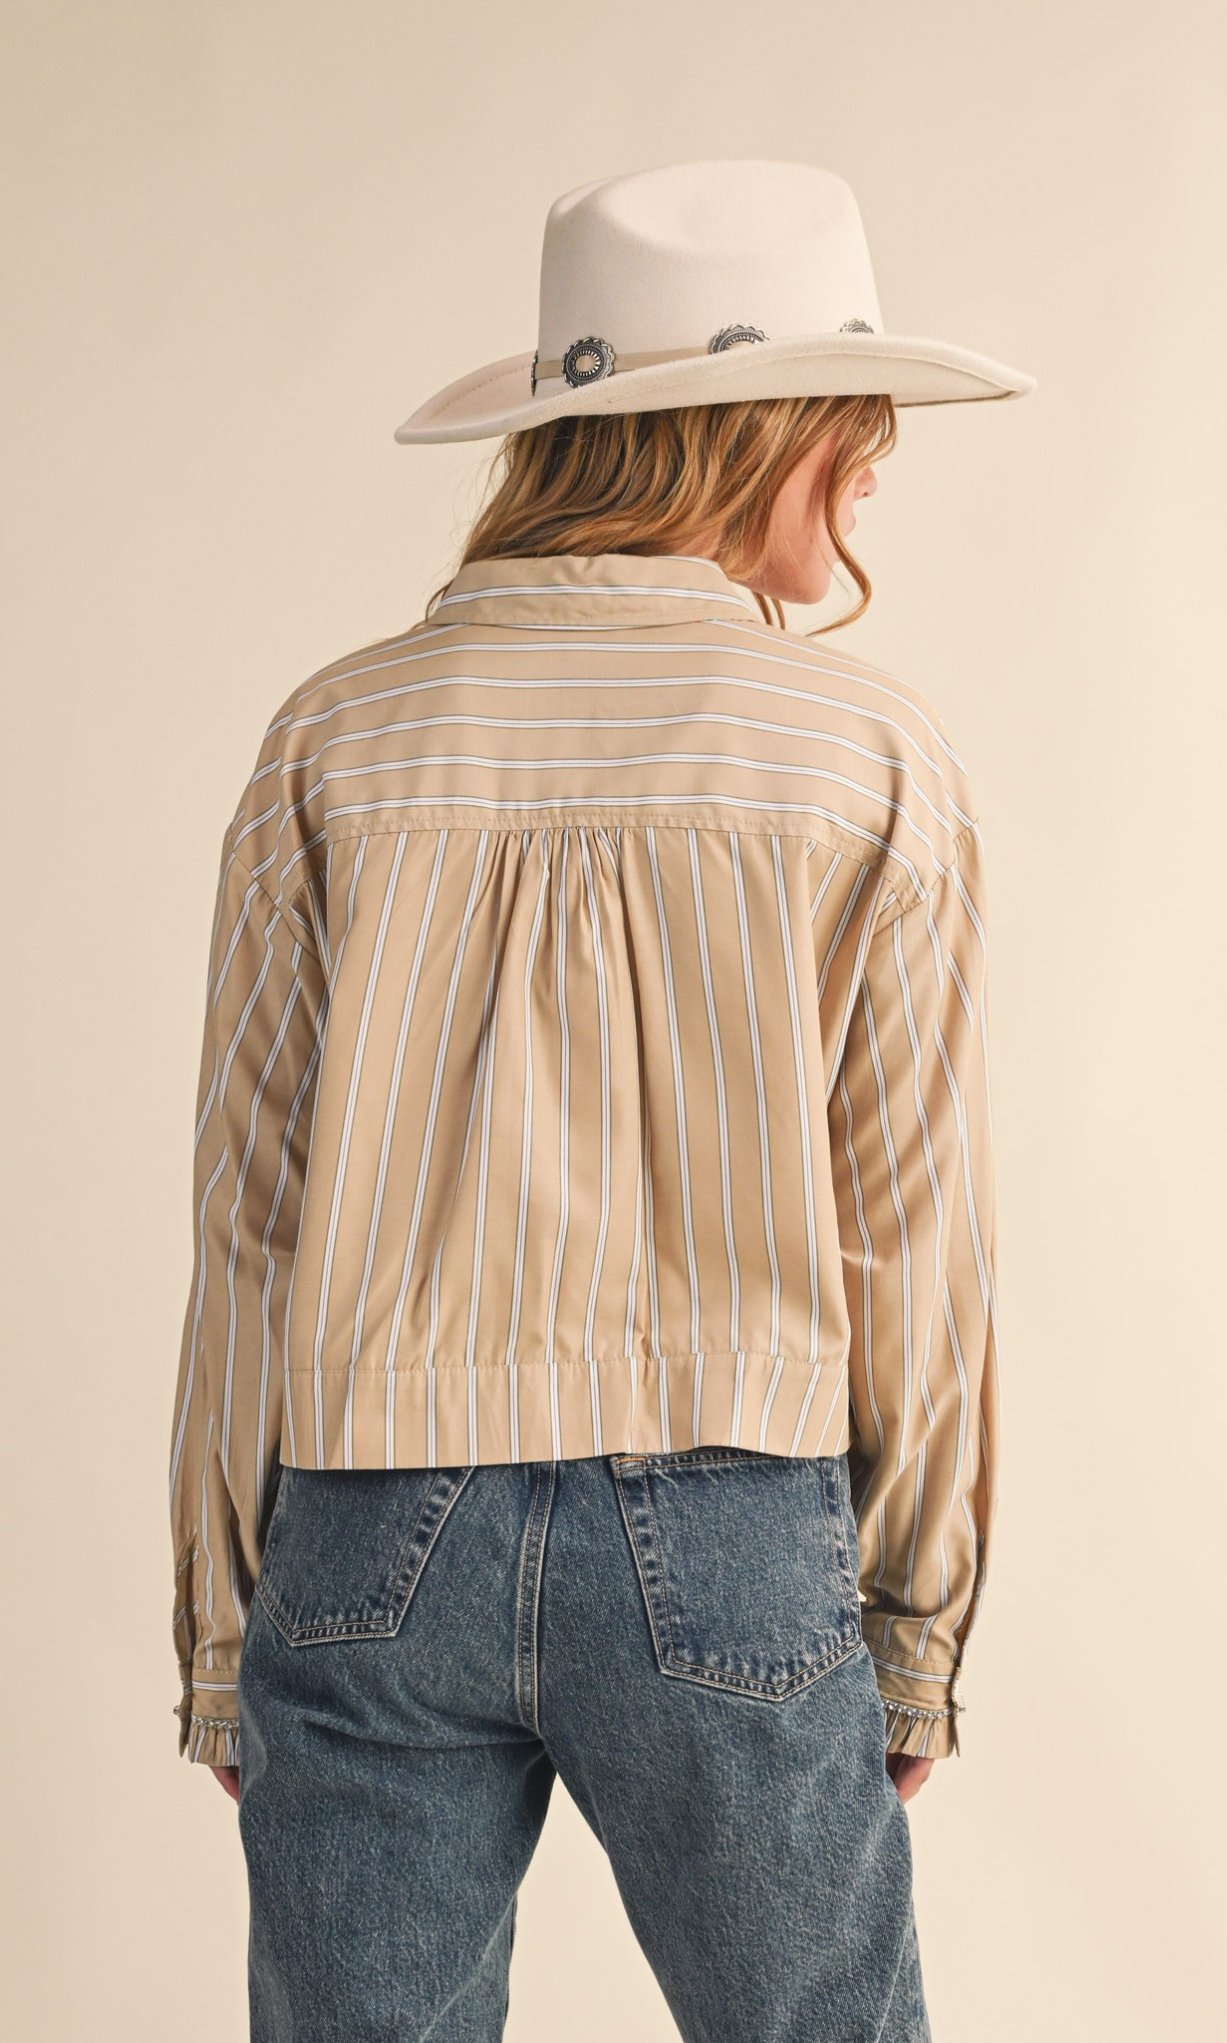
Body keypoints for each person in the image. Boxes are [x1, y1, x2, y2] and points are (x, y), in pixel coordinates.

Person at [167, 157, 1035, 2042]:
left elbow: (251, 1217)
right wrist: (914, 1623)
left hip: (363, 1531)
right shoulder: (867, 753)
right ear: (749, 429)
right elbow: (916, 1227)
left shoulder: (334, 733)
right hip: (733, 1521)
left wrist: (229, 1634)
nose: (879, 455)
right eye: (849, 412)